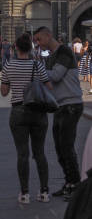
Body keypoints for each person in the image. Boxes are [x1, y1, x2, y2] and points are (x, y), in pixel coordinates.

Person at [0, 33, 52, 204]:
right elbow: (48, 86)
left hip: (18, 111)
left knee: (22, 154)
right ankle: (44, 192)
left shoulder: (9, 65)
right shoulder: (38, 65)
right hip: (38, 112)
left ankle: (25, 193)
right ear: (30, 48)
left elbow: (4, 92)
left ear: (15, 48)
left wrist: (13, 84)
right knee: (40, 153)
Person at [33, 27, 84, 200]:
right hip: (60, 106)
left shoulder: (64, 51)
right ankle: (69, 182)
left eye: (39, 39)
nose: (38, 43)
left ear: (49, 35)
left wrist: (36, 70)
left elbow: (55, 76)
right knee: (60, 147)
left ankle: (76, 186)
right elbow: (47, 80)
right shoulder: (51, 56)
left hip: (72, 105)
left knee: (67, 147)